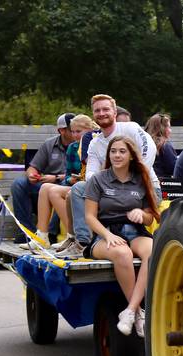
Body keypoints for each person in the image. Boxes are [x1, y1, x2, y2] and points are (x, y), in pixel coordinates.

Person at [84, 136, 159, 337]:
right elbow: (89, 217)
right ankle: (139, 312)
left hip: (135, 232)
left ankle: (131, 311)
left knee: (153, 252)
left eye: (122, 151)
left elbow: (150, 218)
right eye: (113, 151)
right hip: (105, 233)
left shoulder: (141, 180)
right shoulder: (98, 180)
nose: (117, 155)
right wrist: (107, 235)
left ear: (131, 156)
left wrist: (141, 215)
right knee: (122, 253)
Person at [68, 94, 158, 257]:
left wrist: (136, 176)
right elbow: (90, 175)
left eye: (106, 109)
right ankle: (83, 241)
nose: (102, 113)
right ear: (93, 115)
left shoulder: (130, 128)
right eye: (97, 110)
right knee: (78, 189)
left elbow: (150, 149)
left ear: (115, 112)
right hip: (114, 189)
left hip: (144, 186)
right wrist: (111, 182)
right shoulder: (95, 143)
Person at [31, 114, 97, 253]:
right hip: (76, 184)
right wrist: (70, 179)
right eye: (72, 131)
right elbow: (67, 174)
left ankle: (73, 236)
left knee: (54, 191)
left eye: (78, 131)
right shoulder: (72, 148)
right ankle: (42, 238)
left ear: (89, 129)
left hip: (90, 187)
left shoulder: (95, 143)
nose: (75, 135)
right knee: (45, 187)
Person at [11, 113, 77, 243]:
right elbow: (33, 167)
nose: (75, 132)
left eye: (77, 129)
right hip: (46, 185)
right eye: (72, 129)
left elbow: (80, 174)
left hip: (68, 183)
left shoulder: (80, 145)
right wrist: (32, 174)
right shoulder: (49, 144)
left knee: (60, 186)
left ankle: (51, 233)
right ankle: (28, 232)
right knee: (19, 184)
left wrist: (56, 178)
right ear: (62, 131)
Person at [145, 113, 177, 178]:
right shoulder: (164, 145)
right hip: (162, 183)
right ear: (162, 128)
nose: (170, 131)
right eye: (169, 127)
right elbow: (174, 168)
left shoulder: (145, 143)